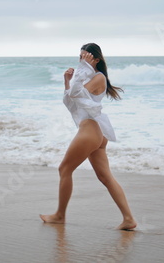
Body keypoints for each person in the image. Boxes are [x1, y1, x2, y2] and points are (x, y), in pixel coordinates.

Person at [40, 43, 137, 230]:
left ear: (96, 59)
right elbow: (70, 101)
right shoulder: (86, 78)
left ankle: (60, 215)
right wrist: (67, 80)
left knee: (64, 169)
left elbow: (78, 93)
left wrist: (80, 72)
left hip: (91, 130)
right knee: (105, 176)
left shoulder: (99, 78)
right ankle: (129, 219)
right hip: (93, 131)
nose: (82, 60)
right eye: (80, 57)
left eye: (86, 57)